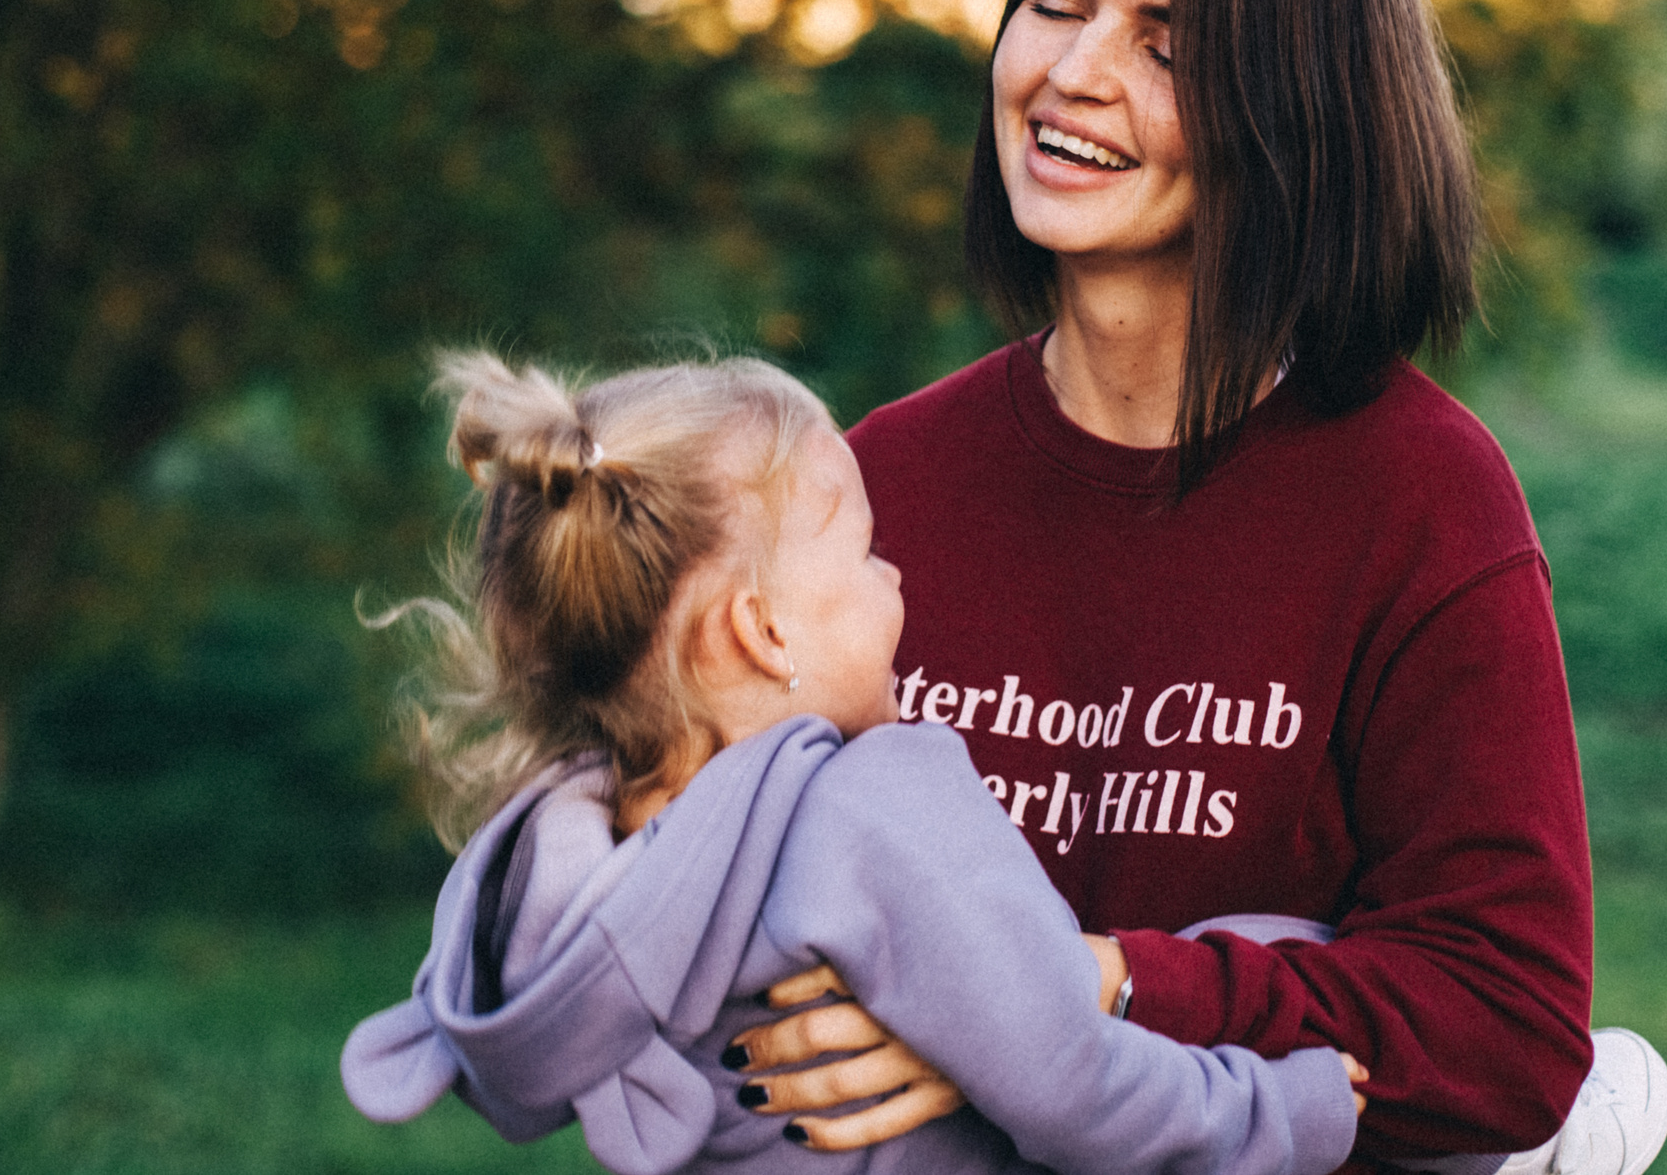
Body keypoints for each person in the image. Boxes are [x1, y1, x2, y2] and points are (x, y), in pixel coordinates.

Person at [725, 0, 1667, 1175]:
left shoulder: (1418, 497)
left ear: (1301, 111)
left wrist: (1082, 989)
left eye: (1167, 47)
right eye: (1056, 5)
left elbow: (1508, 1027)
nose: (1073, 74)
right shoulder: (865, 492)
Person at [340, 350, 1372, 1175]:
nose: (895, 578)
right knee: (1278, 941)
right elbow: (1070, 1078)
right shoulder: (872, 804)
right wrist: (1290, 1107)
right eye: (865, 552)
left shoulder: (567, 857)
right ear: (762, 632)